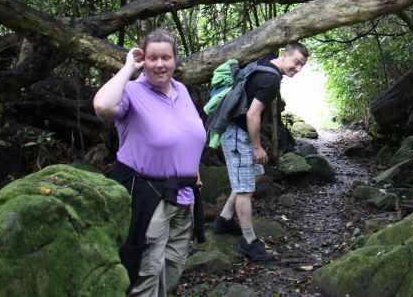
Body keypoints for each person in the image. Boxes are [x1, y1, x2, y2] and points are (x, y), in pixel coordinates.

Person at [93, 29, 206, 297]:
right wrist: (128, 67)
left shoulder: (182, 90)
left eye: (166, 57)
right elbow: (101, 106)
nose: (159, 64)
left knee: (173, 266)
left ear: (175, 60)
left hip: (184, 196)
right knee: (147, 270)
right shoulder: (131, 91)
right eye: (153, 58)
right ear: (144, 60)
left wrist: (195, 171)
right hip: (148, 196)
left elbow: (187, 136)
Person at [212, 42, 309, 261]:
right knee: (244, 189)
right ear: (285, 56)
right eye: (296, 62)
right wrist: (256, 147)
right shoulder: (272, 78)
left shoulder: (264, 62)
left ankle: (224, 219)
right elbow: (252, 115)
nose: (298, 68)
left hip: (235, 130)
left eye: (302, 65)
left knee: (247, 178)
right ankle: (249, 242)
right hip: (237, 134)